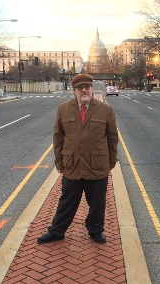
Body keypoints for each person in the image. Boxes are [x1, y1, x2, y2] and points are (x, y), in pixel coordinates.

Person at [37, 74, 119, 244]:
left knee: (97, 203)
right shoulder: (63, 108)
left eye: (87, 87)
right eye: (80, 88)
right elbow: (58, 137)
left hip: (96, 165)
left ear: (91, 89)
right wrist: (59, 162)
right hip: (72, 165)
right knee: (66, 202)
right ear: (74, 91)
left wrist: (111, 162)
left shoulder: (106, 110)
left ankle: (95, 230)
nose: (84, 90)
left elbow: (112, 138)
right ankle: (57, 230)